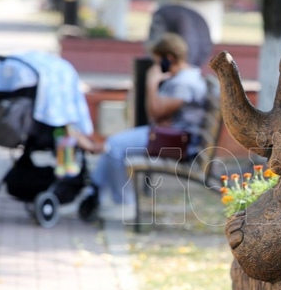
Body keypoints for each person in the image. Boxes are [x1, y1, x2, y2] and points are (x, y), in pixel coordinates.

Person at [82, 33, 208, 220]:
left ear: (169, 58)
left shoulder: (185, 83)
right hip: (169, 134)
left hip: (177, 142)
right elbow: (158, 116)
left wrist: (152, 82)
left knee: (114, 147)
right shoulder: (182, 77)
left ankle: (125, 204)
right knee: (111, 145)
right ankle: (94, 191)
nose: (155, 65)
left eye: (157, 60)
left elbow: (155, 113)